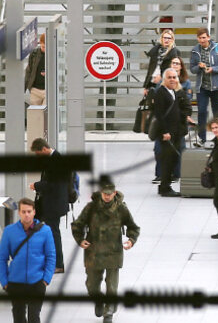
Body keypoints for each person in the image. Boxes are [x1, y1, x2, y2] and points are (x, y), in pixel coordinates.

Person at [71, 181, 140, 323]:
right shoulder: (91, 208)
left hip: (113, 252)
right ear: (101, 193)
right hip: (93, 252)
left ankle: (108, 312)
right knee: (91, 284)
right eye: (104, 194)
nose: (107, 197)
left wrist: (131, 240)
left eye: (110, 194)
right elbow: (78, 224)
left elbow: (132, 226)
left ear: (114, 193)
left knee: (112, 286)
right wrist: (80, 239)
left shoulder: (121, 209)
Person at [0, 198, 55, 323]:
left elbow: (51, 256)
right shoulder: (9, 231)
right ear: (19, 212)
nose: (26, 214)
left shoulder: (45, 231)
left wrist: (46, 279)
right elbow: (2, 258)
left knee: (34, 317)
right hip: (15, 282)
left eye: (29, 211)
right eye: (23, 212)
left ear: (34, 212)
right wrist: (4, 281)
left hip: (37, 282)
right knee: (18, 317)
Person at [150, 67, 192, 196]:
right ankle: (164, 187)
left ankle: (166, 185)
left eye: (174, 77)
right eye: (170, 77)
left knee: (173, 159)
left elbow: (186, 107)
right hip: (167, 134)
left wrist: (183, 115)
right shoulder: (161, 93)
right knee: (167, 160)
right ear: (164, 79)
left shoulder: (176, 91)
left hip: (176, 132)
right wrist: (165, 132)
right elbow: (159, 115)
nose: (172, 80)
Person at [28, 138, 68, 273]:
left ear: (44, 149)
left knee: (53, 233)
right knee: (49, 232)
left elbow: (53, 185)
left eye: (39, 154)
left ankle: (58, 264)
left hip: (54, 205)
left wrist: (36, 185)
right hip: (50, 203)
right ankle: (51, 261)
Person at [189, 28, 218, 144]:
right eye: (200, 38)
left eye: (204, 37)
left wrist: (213, 69)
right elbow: (192, 69)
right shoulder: (195, 51)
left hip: (216, 87)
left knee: (217, 113)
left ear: (208, 37)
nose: (202, 40)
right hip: (202, 87)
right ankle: (202, 138)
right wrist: (199, 67)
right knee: (201, 112)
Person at [143, 29, 180, 97]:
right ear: (162, 39)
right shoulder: (155, 51)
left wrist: (162, 77)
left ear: (172, 40)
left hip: (166, 82)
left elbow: (175, 69)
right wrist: (146, 86)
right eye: (165, 38)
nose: (167, 40)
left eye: (169, 38)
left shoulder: (174, 52)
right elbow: (150, 70)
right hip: (152, 81)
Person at [24, 33, 46, 106]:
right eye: (43, 47)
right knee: (35, 115)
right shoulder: (34, 54)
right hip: (35, 90)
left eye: (46, 47)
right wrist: (25, 88)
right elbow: (29, 71)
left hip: (48, 90)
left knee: (47, 115)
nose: (44, 49)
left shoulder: (54, 54)